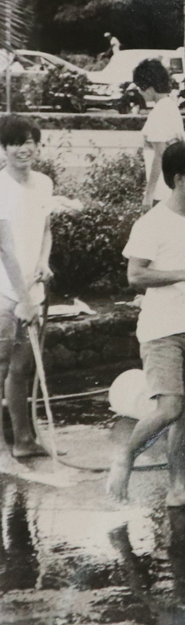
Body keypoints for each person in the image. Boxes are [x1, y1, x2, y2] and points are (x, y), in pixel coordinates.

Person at [107, 143, 185, 506]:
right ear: (180, 179)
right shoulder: (151, 223)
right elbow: (135, 275)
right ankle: (125, 456)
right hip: (162, 329)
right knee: (170, 408)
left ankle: (179, 487)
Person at [0, 115, 53, 467]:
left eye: (30, 141)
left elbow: (46, 230)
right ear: (4, 149)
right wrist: (21, 299)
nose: (25, 148)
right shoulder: (1, 187)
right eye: (16, 142)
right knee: (5, 365)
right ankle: (17, 440)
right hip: (6, 293)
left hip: (34, 291)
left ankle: (24, 439)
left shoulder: (45, 183)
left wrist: (45, 262)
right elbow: (5, 249)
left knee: (23, 370)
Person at [136, 59, 185, 209]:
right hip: (174, 189)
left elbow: (159, 155)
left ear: (149, 89)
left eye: (140, 87)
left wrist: (148, 195)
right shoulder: (170, 107)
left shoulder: (159, 112)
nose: (138, 91)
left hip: (162, 192)